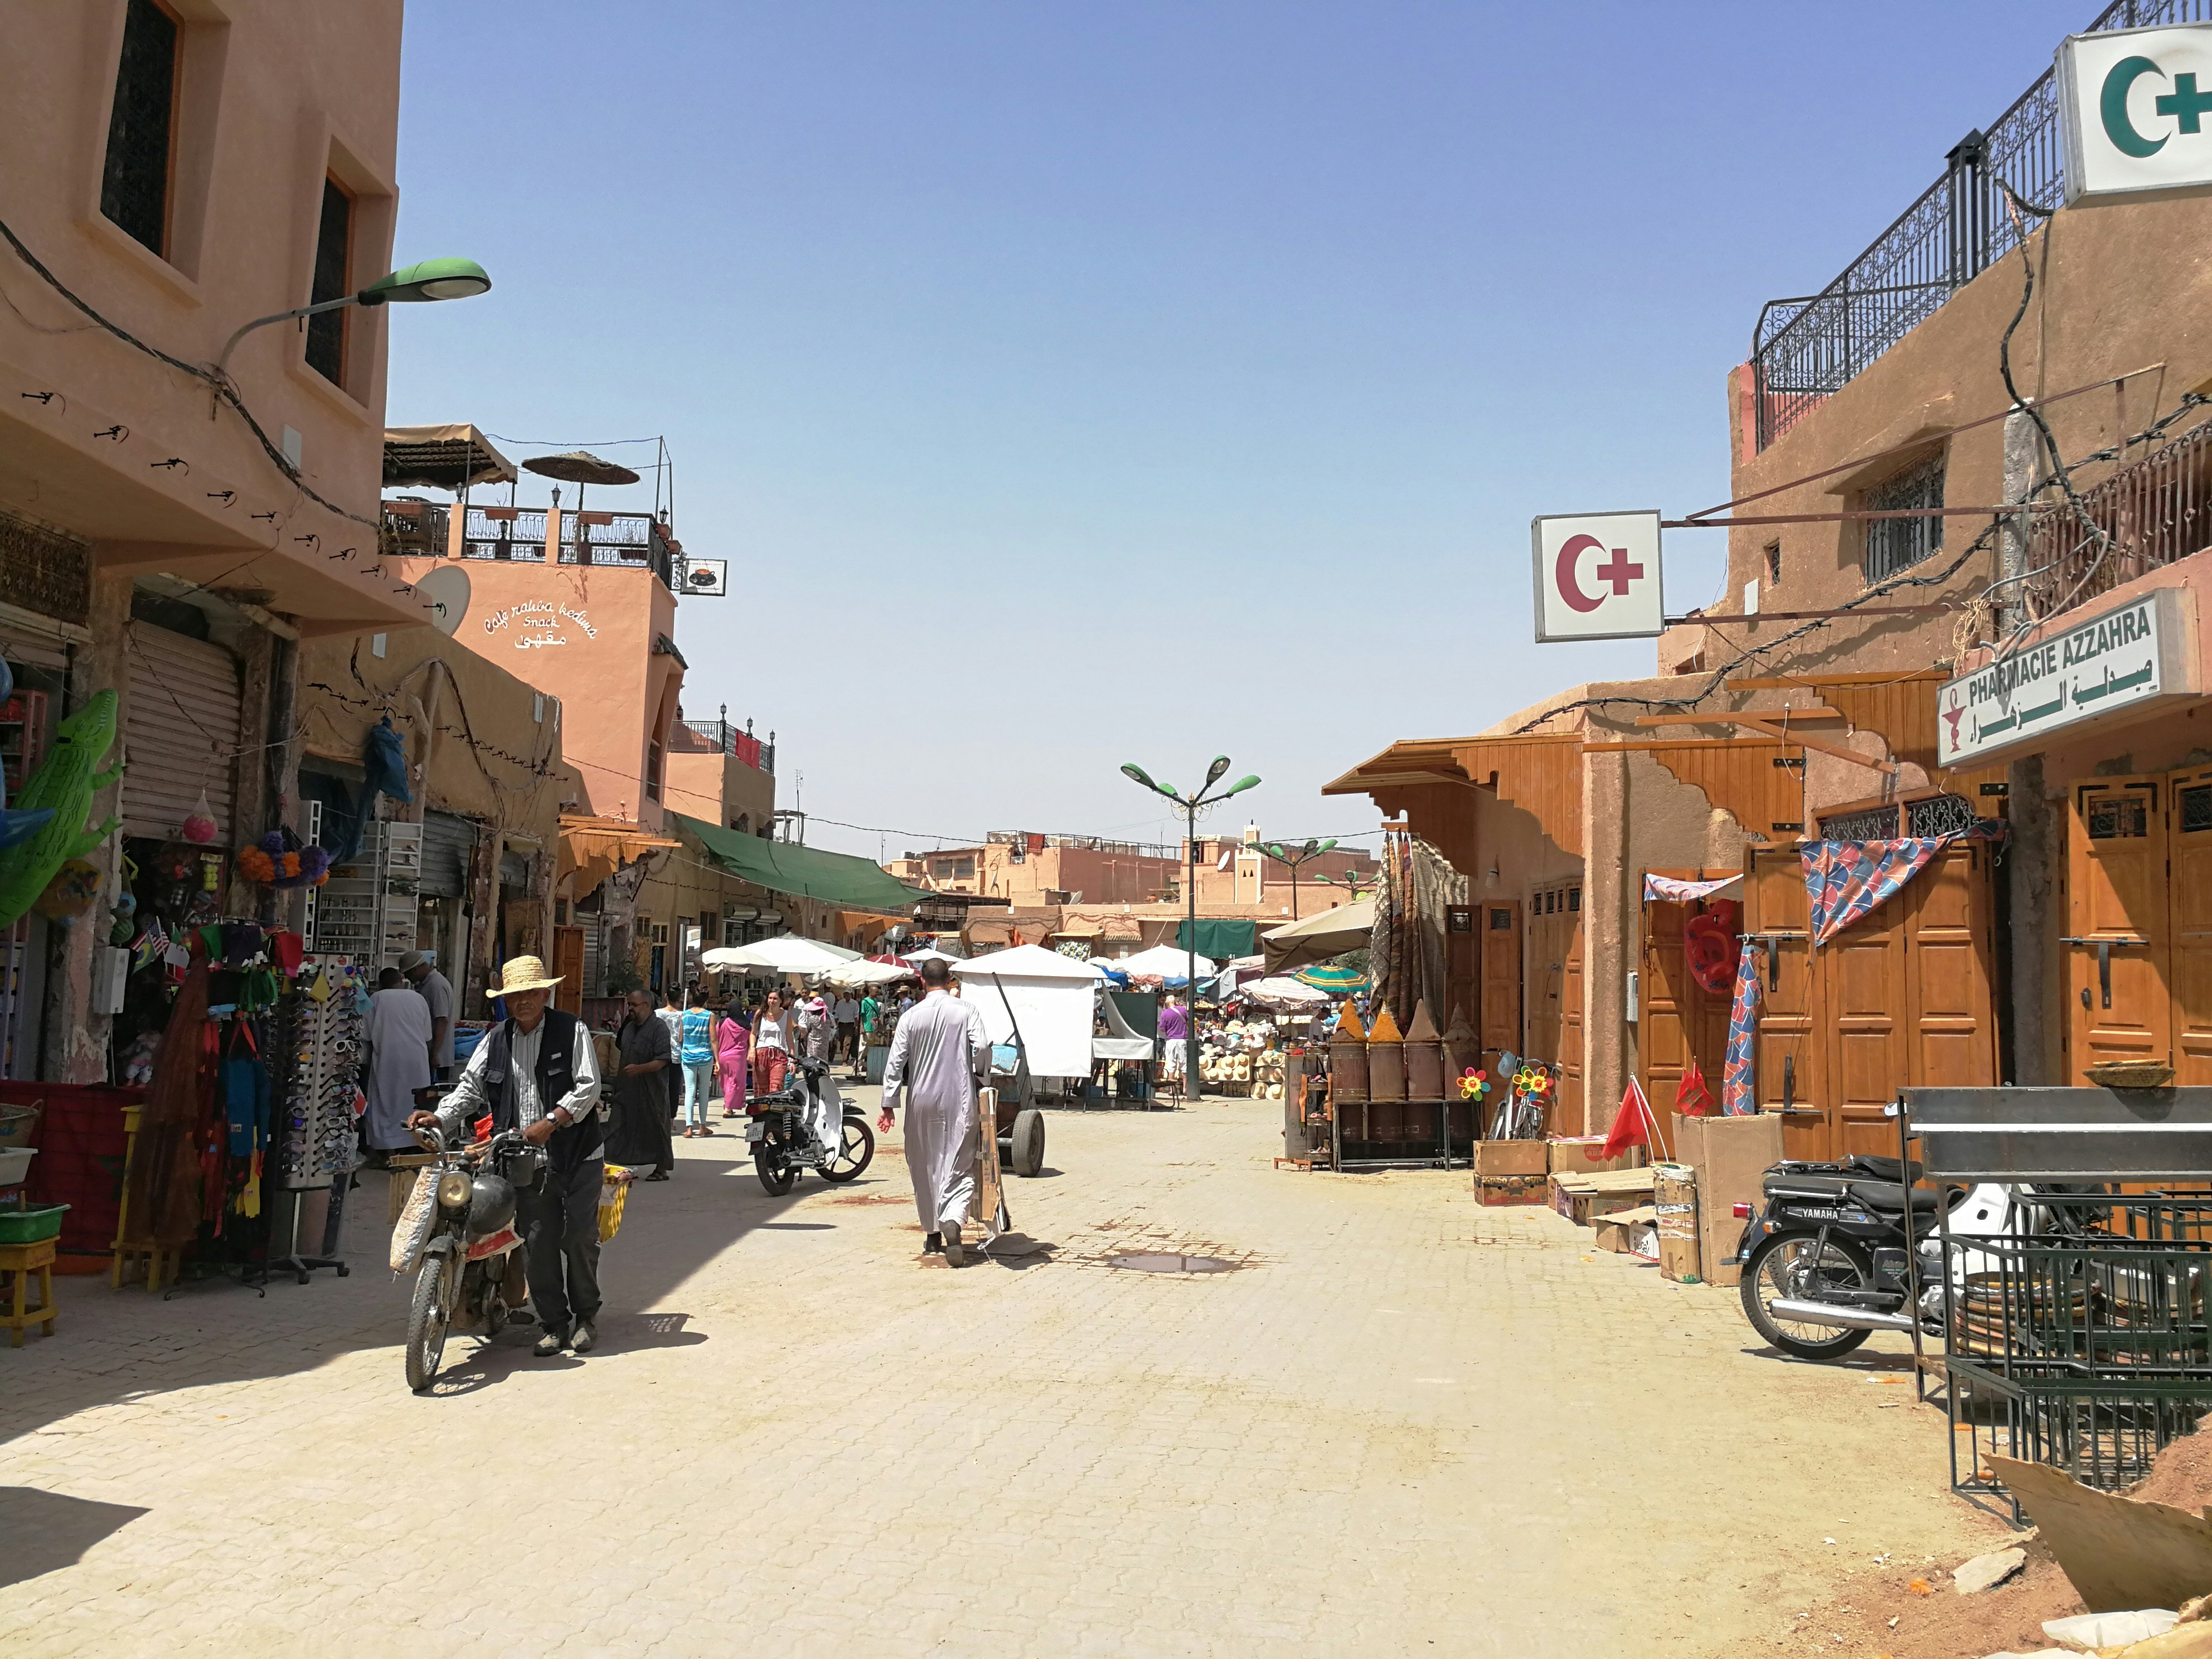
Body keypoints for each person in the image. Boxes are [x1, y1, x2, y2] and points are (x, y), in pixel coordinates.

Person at [410, 957, 605, 1357]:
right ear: (506, 1001)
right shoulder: (496, 1039)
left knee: (579, 1237)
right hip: (523, 1160)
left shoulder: (572, 1029)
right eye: (515, 996)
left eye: (531, 993)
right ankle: (554, 1323)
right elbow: (470, 1088)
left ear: (545, 994)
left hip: (578, 1155)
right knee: (537, 1241)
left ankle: (586, 1317)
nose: (523, 1001)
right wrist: (441, 1117)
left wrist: (552, 1121)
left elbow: (589, 1086)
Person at [878, 957, 989, 1265]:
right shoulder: (966, 1011)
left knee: (923, 1164)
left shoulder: (910, 1017)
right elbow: (982, 1046)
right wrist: (983, 1076)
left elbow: (896, 1062)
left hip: (921, 1100)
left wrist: (889, 1103)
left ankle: (932, 1233)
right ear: (950, 980)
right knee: (959, 1162)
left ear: (922, 981)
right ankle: (952, 1217)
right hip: (958, 1097)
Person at [362, 965, 434, 1159]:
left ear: (380, 984)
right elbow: (427, 1035)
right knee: (414, 1103)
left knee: (386, 1103)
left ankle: (388, 1150)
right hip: (416, 1061)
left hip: (388, 1059)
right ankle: (415, 1145)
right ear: (401, 980)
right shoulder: (418, 999)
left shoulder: (376, 999)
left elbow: (365, 1034)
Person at [605, 988, 674, 1180]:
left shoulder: (659, 1028)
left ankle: (661, 1169)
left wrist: (640, 1069)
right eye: (629, 1005)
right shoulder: (629, 1027)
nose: (630, 1008)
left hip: (652, 1090)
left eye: (634, 1005)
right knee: (617, 1125)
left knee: (656, 1128)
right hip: (626, 1088)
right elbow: (621, 1046)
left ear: (647, 1005)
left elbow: (662, 1060)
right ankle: (610, 1165)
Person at [399, 949, 457, 1082]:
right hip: (429, 1051)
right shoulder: (427, 984)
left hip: (437, 1055)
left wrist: (435, 1053)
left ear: (416, 969)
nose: (407, 977)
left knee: (434, 1092)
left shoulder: (436, 985)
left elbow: (441, 1020)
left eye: (408, 973)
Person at [677, 987, 717, 1137]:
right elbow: (713, 1039)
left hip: (688, 1056)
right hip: (705, 1056)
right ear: (706, 1000)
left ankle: (689, 1128)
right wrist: (717, 1060)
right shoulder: (709, 1016)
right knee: (704, 1091)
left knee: (690, 1091)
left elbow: (681, 1038)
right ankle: (702, 1126)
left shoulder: (685, 1015)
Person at [750, 988, 793, 1098]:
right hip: (761, 1054)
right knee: (761, 1092)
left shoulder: (786, 1015)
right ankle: (762, 1109)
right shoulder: (760, 1014)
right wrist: (752, 1049)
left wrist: (793, 1059)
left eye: (775, 999)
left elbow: (789, 1037)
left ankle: (774, 1109)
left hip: (779, 1055)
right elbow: (753, 1033)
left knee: (776, 1090)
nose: (772, 1001)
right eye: (770, 998)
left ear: (781, 1001)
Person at [716, 998, 749, 1119]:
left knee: (725, 1082)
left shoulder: (722, 1023)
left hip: (723, 1057)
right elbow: (750, 1039)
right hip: (738, 1058)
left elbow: (716, 1038)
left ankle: (728, 1105)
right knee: (734, 1083)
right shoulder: (746, 1024)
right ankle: (728, 1108)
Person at [1158, 993, 1192, 1102]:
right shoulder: (1183, 1010)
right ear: (1175, 1002)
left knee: (1171, 1065)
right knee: (1184, 1064)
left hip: (1171, 1040)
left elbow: (1162, 1029)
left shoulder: (1165, 1013)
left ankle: (1172, 1089)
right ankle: (1185, 1088)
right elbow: (1189, 1022)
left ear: (1168, 1003)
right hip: (1182, 1040)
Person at [832, 989, 861, 1067]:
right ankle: (845, 1057)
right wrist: (836, 1025)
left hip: (850, 1026)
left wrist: (856, 1027)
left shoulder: (855, 1004)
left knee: (847, 1043)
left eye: (848, 994)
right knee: (842, 1043)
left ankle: (844, 1060)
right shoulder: (840, 1003)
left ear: (851, 995)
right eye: (845, 994)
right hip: (841, 1025)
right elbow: (837, 1015)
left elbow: (856, 1016)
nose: (846, 996)